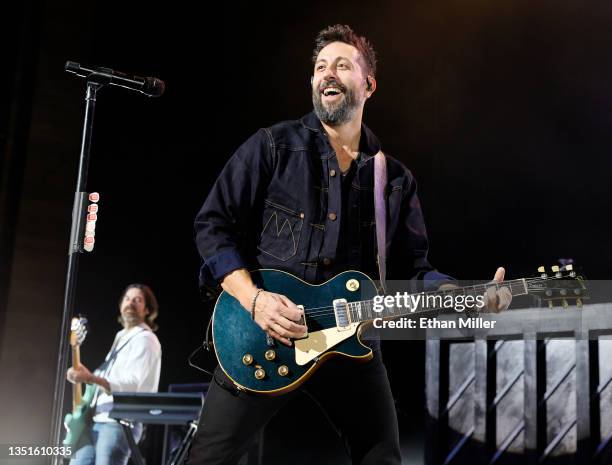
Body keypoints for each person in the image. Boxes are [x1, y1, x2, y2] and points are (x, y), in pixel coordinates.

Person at [189, 24, 511, 465]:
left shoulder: (393, 180)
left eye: (342, 64)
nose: (328, 73)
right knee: (207, 460)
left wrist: (464, 296)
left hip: (352, 341)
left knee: (382, 458)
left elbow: (412, 271)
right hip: (261, 331)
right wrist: (256, 299)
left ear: (369, 84)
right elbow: (212, 224)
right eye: (321, 66)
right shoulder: (273, 146)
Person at [66, 284, 162, 465]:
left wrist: (90, 378)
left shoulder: (145, 339)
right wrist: (86, 376)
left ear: (147, 310)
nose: (130, 303)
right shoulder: (121, 337)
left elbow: (131, 384)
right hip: (96, 419)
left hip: (119, 421)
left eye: (137, 300)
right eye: (127, 298)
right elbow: (104, 380)